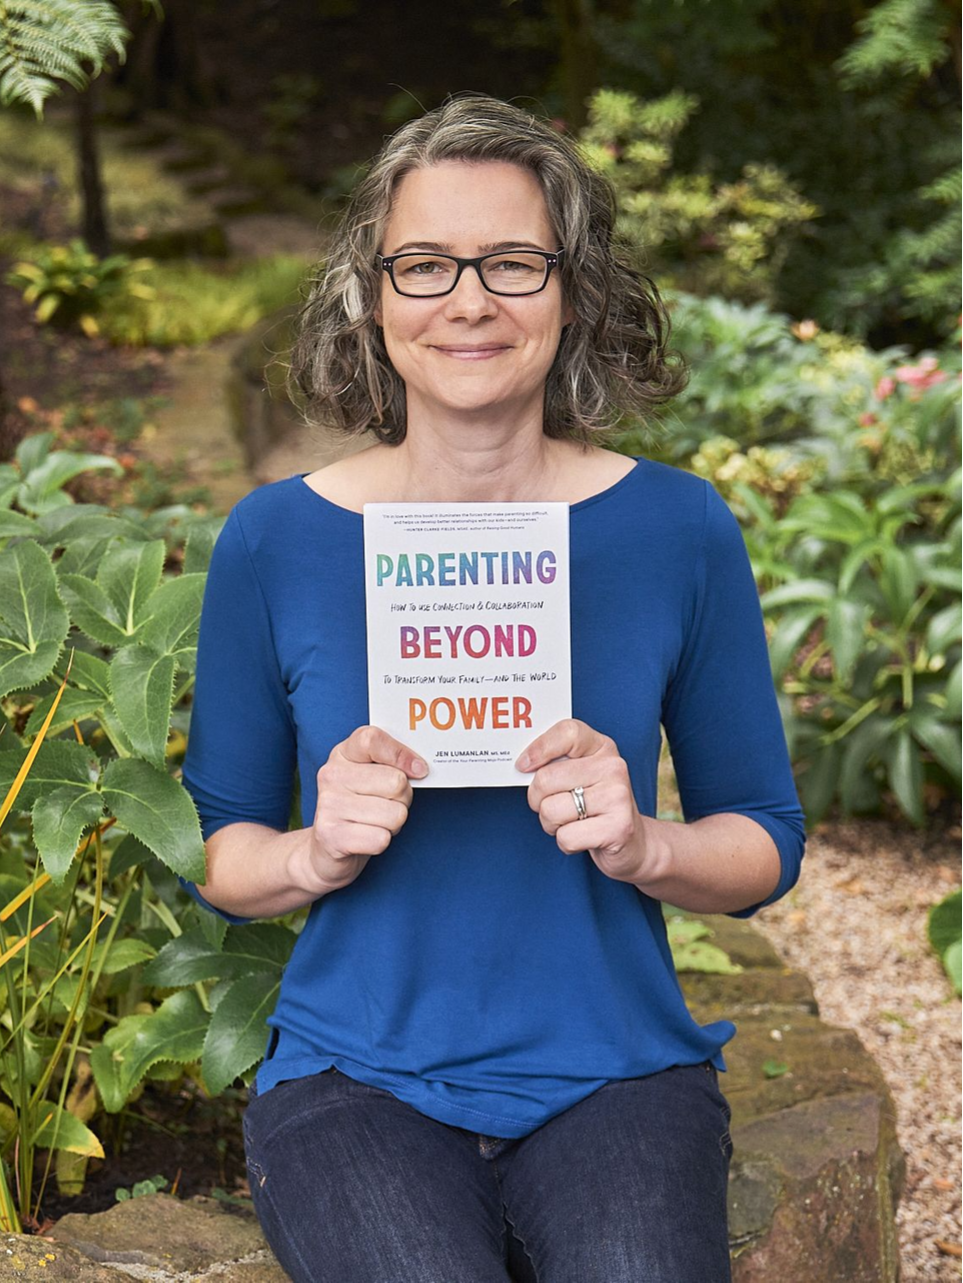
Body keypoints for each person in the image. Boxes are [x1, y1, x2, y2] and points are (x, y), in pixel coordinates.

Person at [182, 94, 805, 1283]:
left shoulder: (677, 527)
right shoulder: (274, 539)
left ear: (571, 291)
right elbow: (222, 854)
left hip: (617, 1069)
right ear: (372, 294)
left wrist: (643, 846)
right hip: (353, 1078)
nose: (469, 300)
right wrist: (314, 851)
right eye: (425, 265)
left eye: (512, 262)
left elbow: (766, 841)